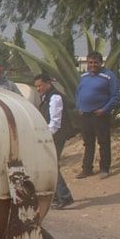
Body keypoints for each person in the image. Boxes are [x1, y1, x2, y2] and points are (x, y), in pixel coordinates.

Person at [75, 51, 120, 179]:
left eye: (95, 62)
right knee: (88, 143)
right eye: (90, 62)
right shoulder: (84, 76)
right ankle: (87, 169)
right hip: (85, 115)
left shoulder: (109, 76)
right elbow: (77, 92)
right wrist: (79, 107)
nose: (93, 65)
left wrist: (104, 109)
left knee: (103, 142)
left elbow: (116, 96)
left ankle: (104, 169)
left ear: (101, 63)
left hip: (100, 115)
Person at [34, 74, 75, 209]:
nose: (38, 89)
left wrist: (45, 137)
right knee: (51, 165)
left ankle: (65, 196)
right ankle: (58, 196)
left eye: (40, 85)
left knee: (52, 166)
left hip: (56, 137)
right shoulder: (46, 97)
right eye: (36, 86)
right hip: (52, 136)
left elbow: (55, 123)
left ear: (48, 84)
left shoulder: (55, 97)